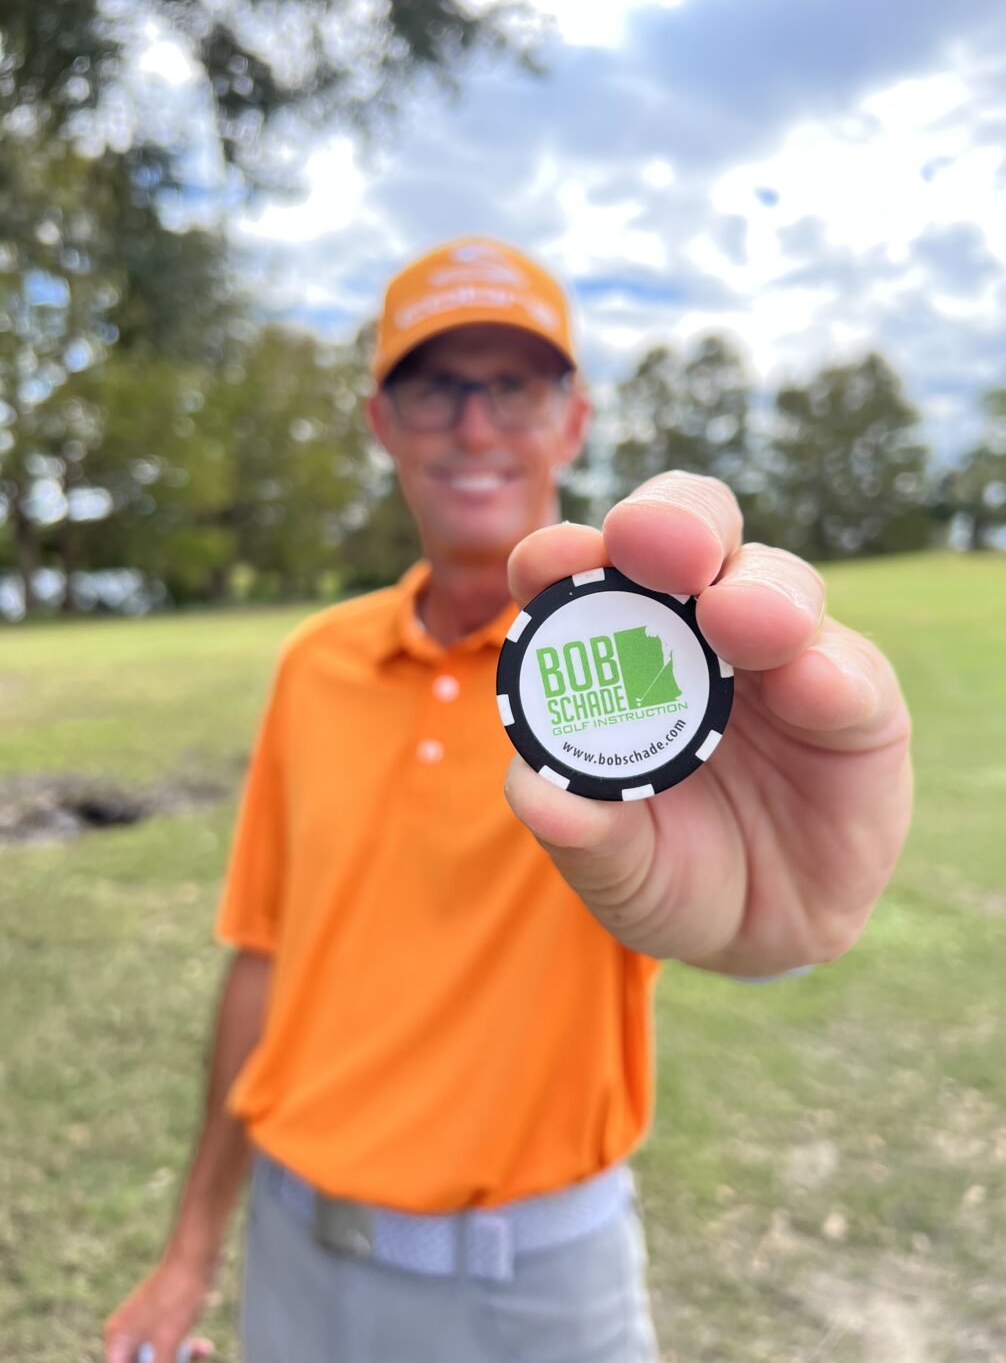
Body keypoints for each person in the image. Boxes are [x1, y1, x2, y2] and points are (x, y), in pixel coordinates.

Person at [104, 236, 912, 1363]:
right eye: (436, 387)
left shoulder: (640, 685)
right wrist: (193, 1244)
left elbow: (730, 909)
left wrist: (782, 929)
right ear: (381, 421)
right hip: (293, 1251)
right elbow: (263, 959)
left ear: (573, 419)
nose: (475, 428)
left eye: (515, 386)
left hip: (538, 1290)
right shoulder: (314, 663)